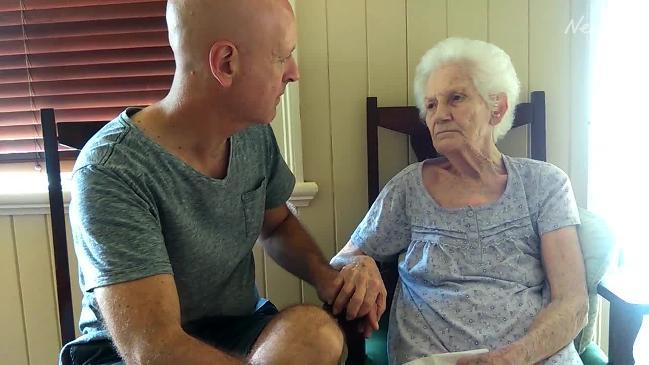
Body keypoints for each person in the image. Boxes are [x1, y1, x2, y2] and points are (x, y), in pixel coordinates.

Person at [60, 1, 384, 364]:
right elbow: (152, 350)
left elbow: (276, 225)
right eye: (281, 58)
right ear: (226, 63)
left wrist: (328, 279)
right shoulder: (111, 171)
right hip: (129, 354)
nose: (293, 73)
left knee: (316, 330)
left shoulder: (254, 134)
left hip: (236, 331)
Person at [331, 37, 589, 365]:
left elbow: (572, 300)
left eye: (456, 98)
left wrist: (513, 358)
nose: (439, 115)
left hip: (531, 358)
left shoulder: (545, 184)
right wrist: (359, 262)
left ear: (498, 107)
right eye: (431, 105)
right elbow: (342, 261)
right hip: (434, 358)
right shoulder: (409, 188)